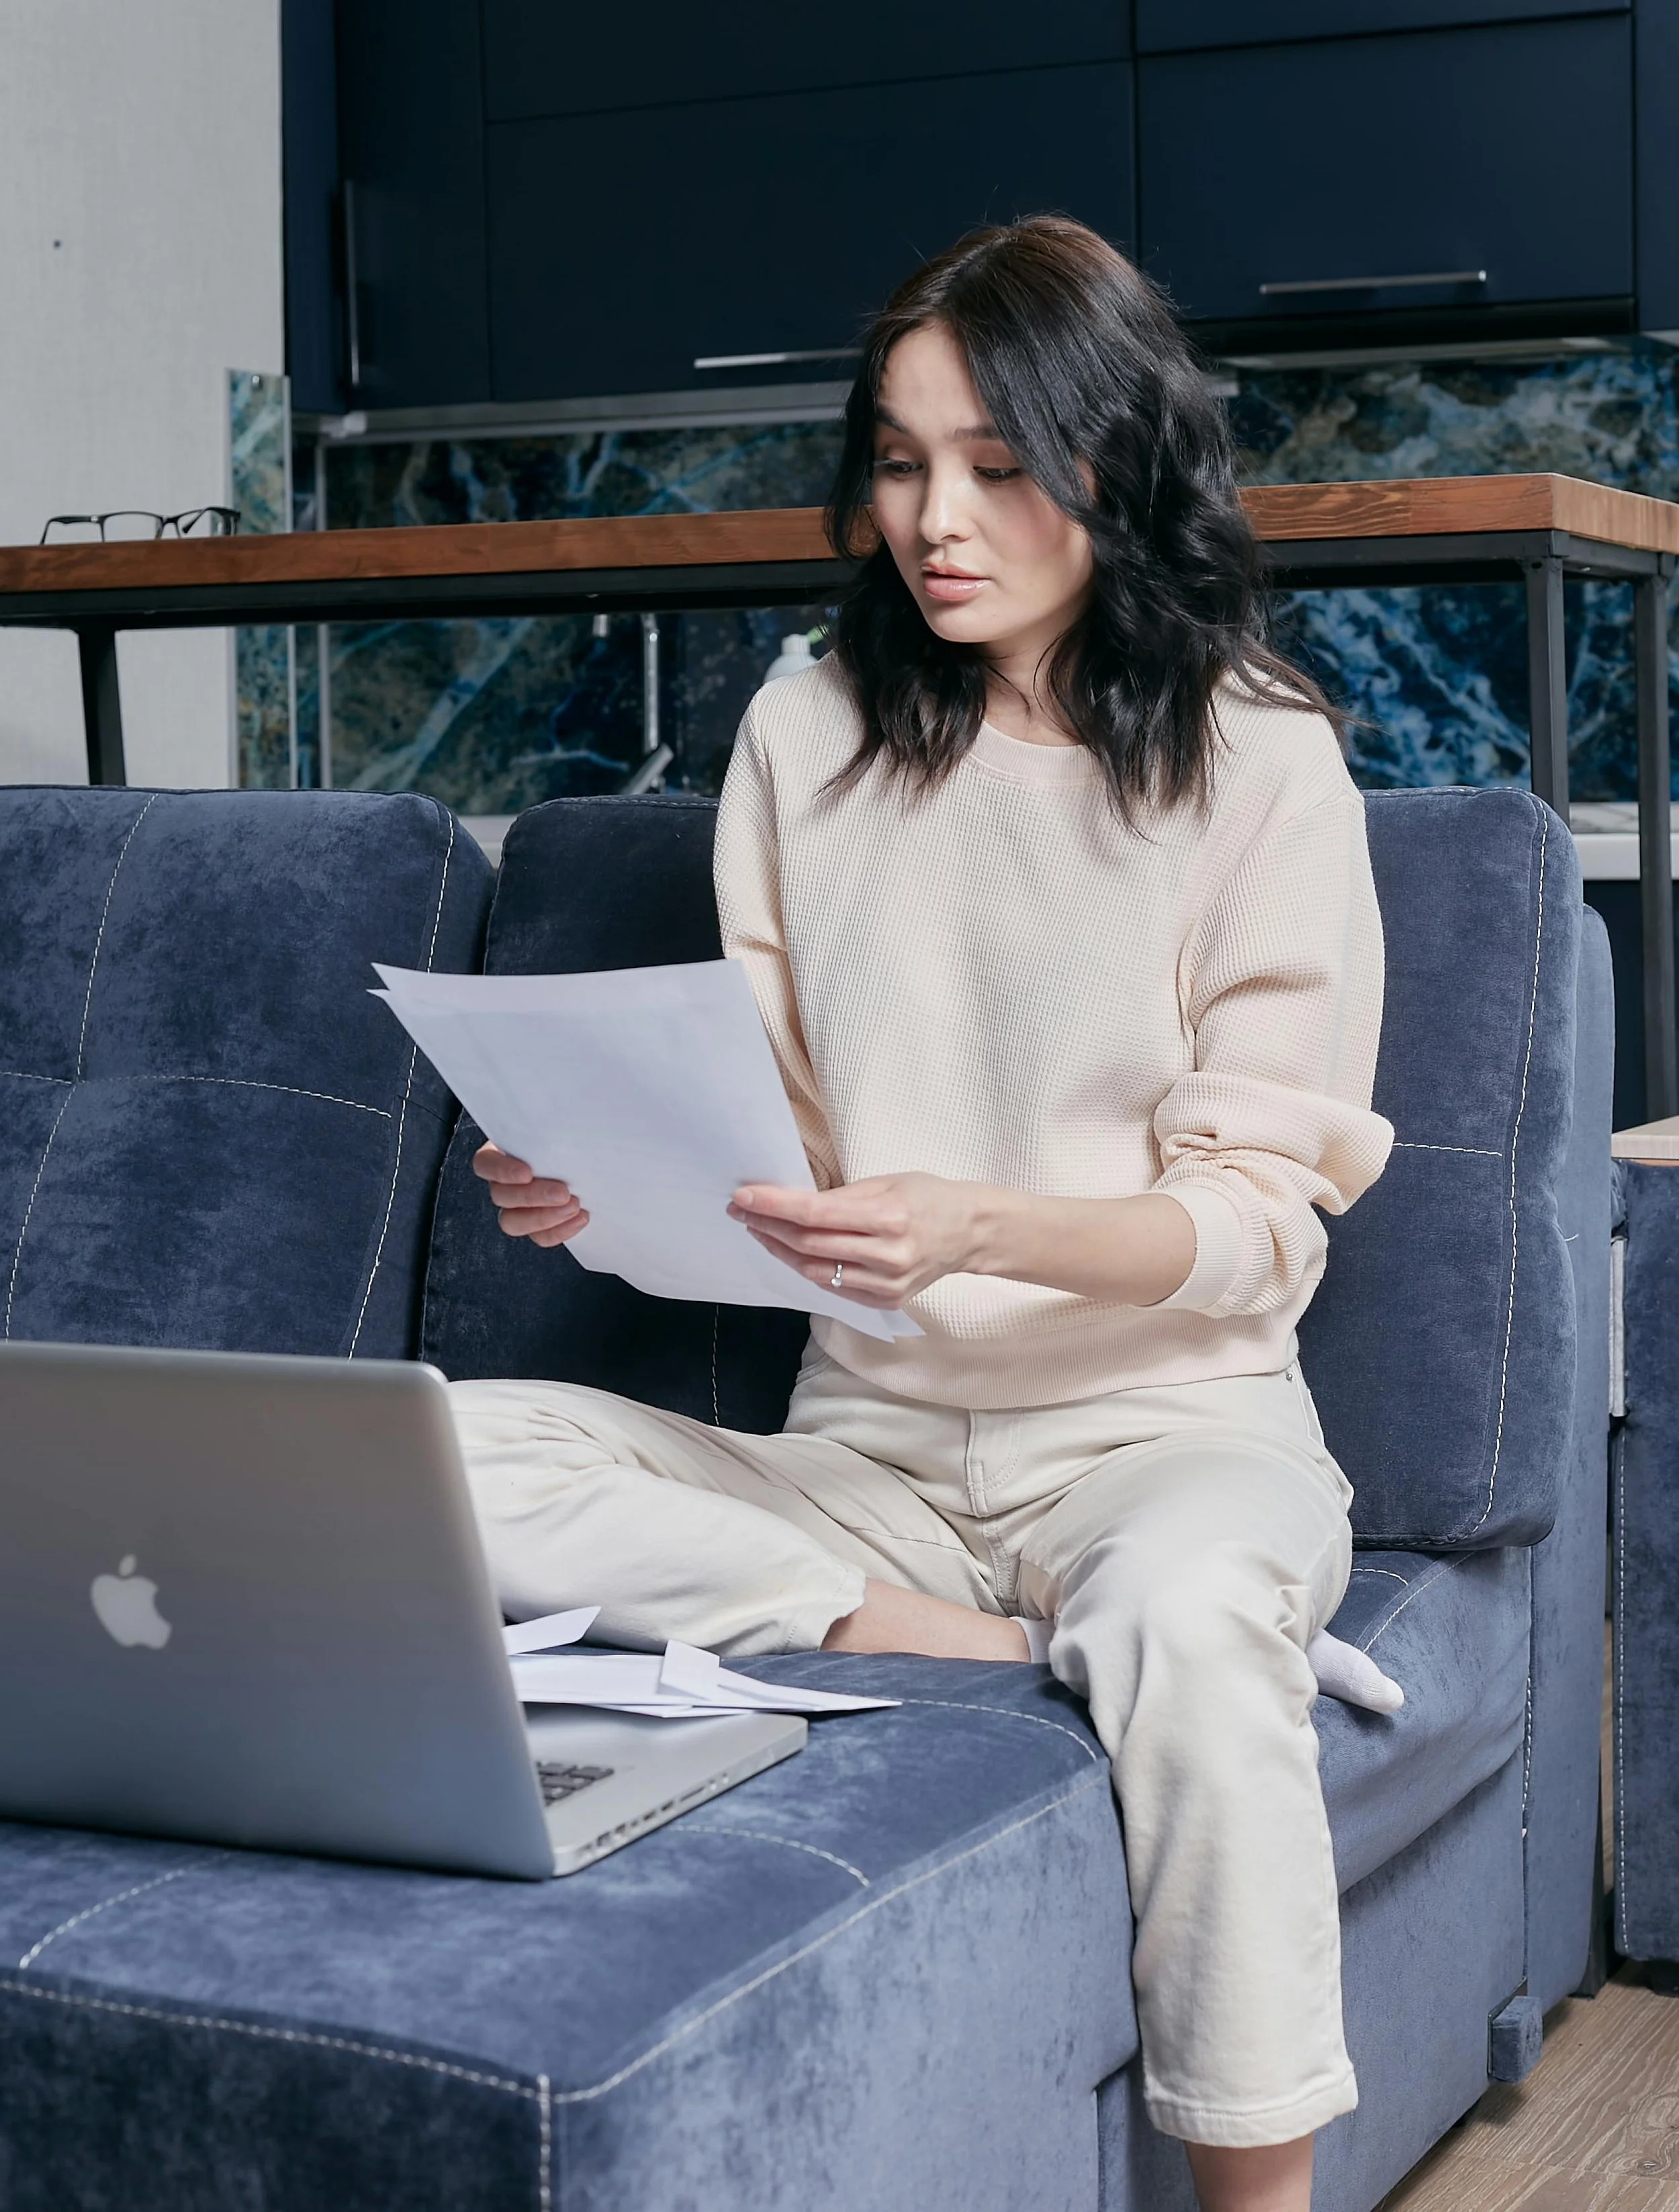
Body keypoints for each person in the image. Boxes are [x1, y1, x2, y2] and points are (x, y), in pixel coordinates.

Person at [451, 216, 1394, 2212]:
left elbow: (1256, 1231)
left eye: (991, 462)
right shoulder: (810, 727)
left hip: (1165, 1435)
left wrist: (982, 1227)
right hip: (868, 1460)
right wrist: (599, 1194)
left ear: (1116, 460)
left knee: (1185, 1616)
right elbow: (788, 1155)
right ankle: (926, 1635)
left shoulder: (1262, 762)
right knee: (431, 1447)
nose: (931, 520)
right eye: (895, 460)